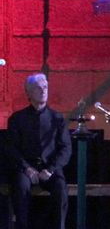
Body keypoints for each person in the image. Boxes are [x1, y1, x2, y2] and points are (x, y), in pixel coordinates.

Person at [5, 73, 71, 229]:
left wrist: (50, 169)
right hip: (26, 169)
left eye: (45, 87)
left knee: (61, 188)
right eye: (38, 88)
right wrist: (27, 168)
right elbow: (11, 148)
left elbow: (66, 148)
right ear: (28, 92)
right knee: (20, 186)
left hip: (50, 168)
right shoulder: (17, 118)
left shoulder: (57, 118)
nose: (43, 91)